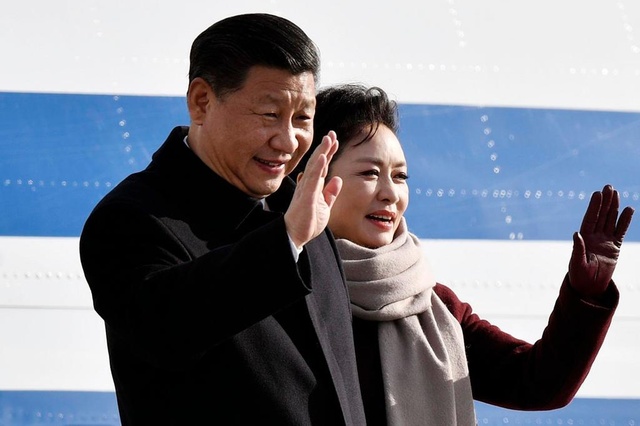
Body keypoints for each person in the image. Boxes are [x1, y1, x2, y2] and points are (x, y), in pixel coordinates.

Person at [79, 14, 367, 425]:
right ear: (201, 101)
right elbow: (167, 330)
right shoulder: (130, 219)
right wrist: (285, 241)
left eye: (303, 118)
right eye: (269, 114)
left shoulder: (301, 208)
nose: (288, 141)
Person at [294, 83, 635, 425]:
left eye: (400, 176)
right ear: (314, 178)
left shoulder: (434, 305)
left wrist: (586, 296)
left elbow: (538, 383)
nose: (390, 194)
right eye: (369, 173)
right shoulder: (281, 289)